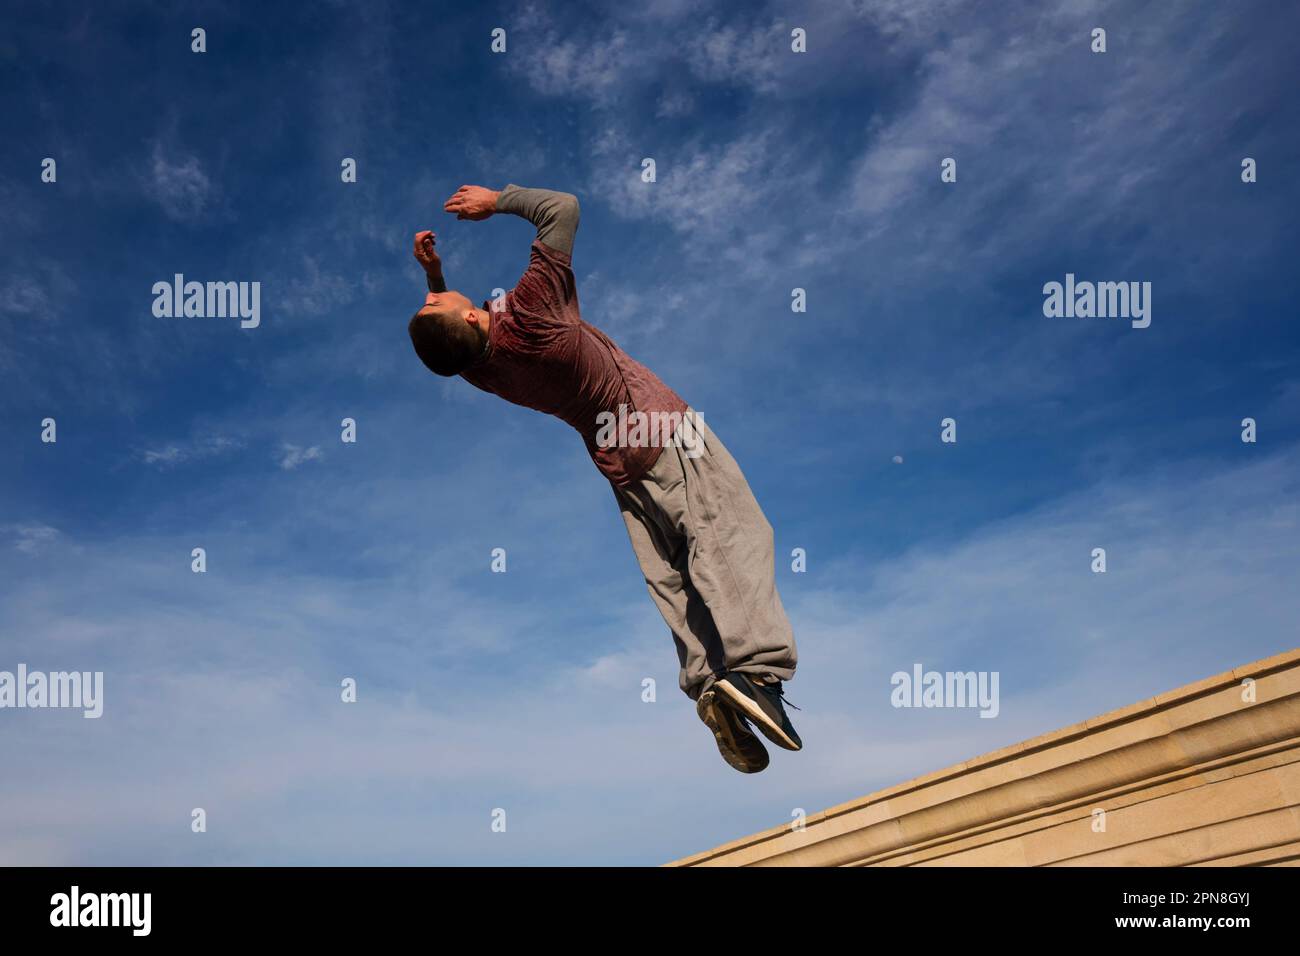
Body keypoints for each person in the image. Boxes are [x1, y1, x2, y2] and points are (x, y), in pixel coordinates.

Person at [407, 183, 801, 773]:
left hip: (617, 464)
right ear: (468, 315)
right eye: (436, 301)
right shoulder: (535, 314)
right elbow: (561, 208)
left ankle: (712, 684)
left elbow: (451, 338)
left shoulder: (481, 370)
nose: (437, 297)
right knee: (728, 535)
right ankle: (758, 673)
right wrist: (497, 201)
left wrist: (435, 278)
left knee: (674, 576)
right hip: (663, 432)